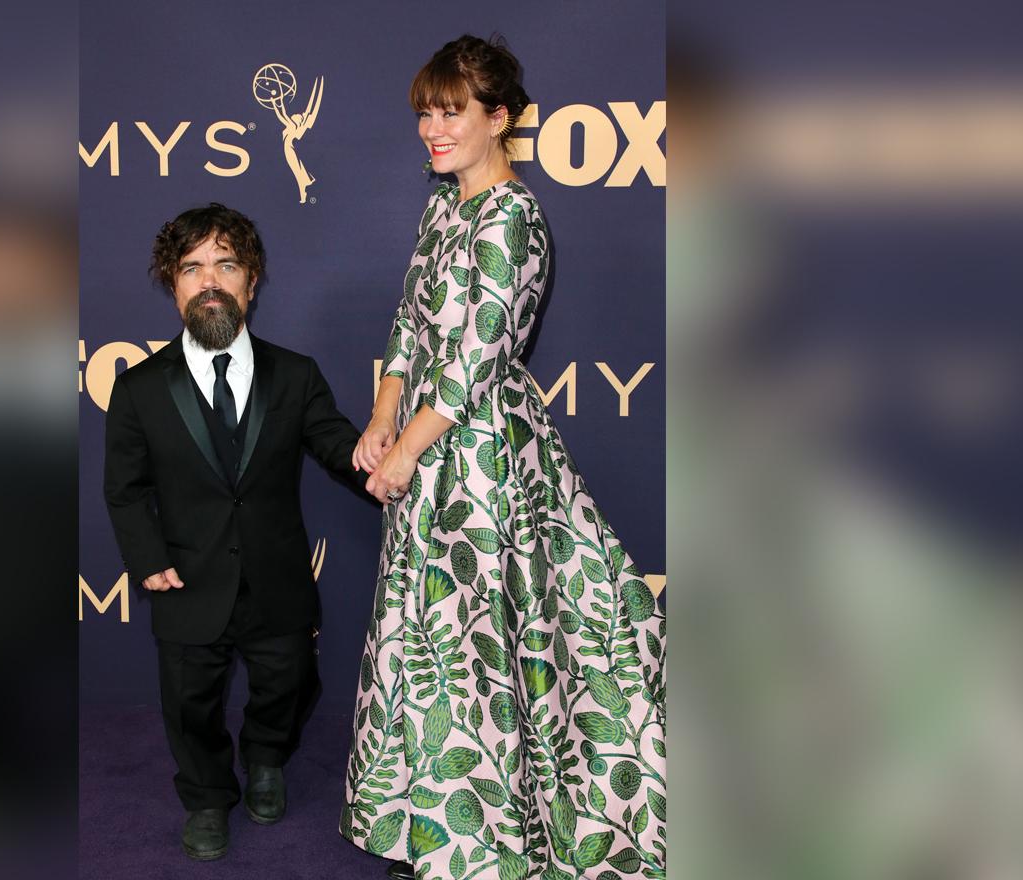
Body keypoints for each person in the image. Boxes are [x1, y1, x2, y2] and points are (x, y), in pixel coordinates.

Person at [340, 36, 666, 880]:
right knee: (427, 634)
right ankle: (434, 826)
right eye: (425, 111)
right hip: (428, 441)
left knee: (476, 635)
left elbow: (477, 354)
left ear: (501, 118)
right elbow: (411, 325)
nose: (432, 128)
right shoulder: (443, 209)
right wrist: (382, 412)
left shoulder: (514, 216)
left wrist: (406, 450)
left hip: (479, 452)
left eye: (452, 111)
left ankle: (484, 841)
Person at [104, 203, 364, 861]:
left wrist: (385, 465)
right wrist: (147, 556)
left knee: (290, 684)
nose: (210, 279)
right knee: (190, 706)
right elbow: (126, 488)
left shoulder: (296, 374)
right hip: (185, 577)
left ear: (252, 280)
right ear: (174, 286)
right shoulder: (137, 389)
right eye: (192, 268)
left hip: (277, 575)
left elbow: (338, 446)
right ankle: (206, 796)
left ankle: (269, 756)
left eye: (226, 263)